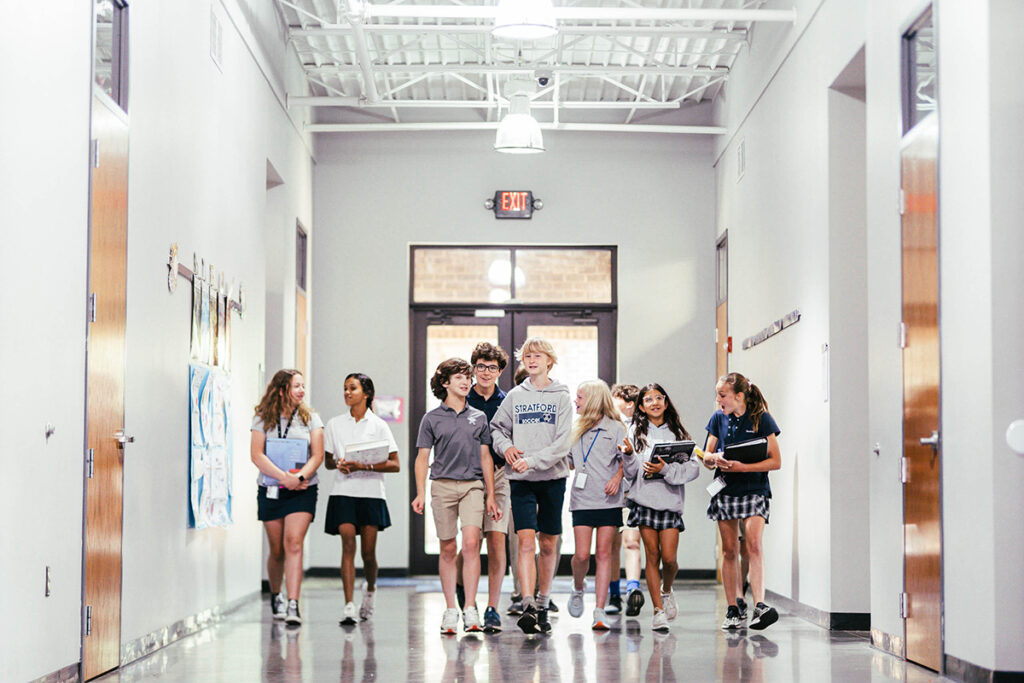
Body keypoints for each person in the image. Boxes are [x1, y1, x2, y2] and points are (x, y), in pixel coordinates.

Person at [490, 337, 573, 634]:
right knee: (525, 540)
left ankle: (543, 601)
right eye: (527, 355)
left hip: (551, 478)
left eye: (537, 355)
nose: (532, 360)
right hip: (520, 480)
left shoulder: (562, 396)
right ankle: (527, 604)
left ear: (549, 360)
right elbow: (497, 429)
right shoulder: (514, 396)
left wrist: (533, 461)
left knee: (548, 543)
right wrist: (508, 449)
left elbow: (564, 442)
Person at [412, 358, 500, 635]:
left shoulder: (479, 417)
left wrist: (491, 495)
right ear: (445, 383)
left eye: (467, 376)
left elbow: (486, 456)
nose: (466, 381)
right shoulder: (431, 418)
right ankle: (451, 608)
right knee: (448, 548)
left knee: (472, 543)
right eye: (459, 377)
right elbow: (422, 457)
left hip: (473, 485)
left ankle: (470, 607)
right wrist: (420, 493)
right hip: (442, 486)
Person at [702, 372, 782, 631]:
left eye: (722, 395)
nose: (718, 400)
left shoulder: (762, 419)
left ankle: (760, 604)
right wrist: (715, 459)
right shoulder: (718, 419)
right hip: (726, 489)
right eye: (717, 395)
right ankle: (734, 608)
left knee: (754, 543)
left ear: (739, 396)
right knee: (729, 550)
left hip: (755, 488)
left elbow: (775, 461)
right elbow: (706, 456)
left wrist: (742, 467)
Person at [621, 382, 700, 632]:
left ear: (666, 403)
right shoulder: (634, 432)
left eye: (659, 398)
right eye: (648, 400)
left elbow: (693, 468)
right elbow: (631, 473)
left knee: (670, 558)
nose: (654, 403)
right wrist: (628, 455)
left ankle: (667, 590)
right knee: (652, 556)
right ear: (641, 407)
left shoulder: (679, 433)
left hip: (670, 503)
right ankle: (657, 611)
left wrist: (664, 469)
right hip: (644, 501)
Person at [323, 372, 400, 626]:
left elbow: (395, 464)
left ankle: (370, 590)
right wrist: (340, 463)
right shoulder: (334, 424)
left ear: (366, 394)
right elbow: (328, 461)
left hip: (370, 494)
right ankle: (348, 605)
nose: (347, 392)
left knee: (368, 553)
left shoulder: (379, 425)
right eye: (344, 388)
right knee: (347, 543)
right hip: (343, 492)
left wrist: (363, 466)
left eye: (352, 388)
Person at [250, 369, 324, 626]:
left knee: (294, 542)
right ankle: (276, 594)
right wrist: (284, 477)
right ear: (281, 390)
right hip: (271, 488)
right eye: (296, 386)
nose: (302, 391)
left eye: (303, 386)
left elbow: (317, 455)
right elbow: (257, 455)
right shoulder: (263, 418)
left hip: (303, 490)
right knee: (277, 549)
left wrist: (299, 478)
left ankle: (293, 603)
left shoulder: (311, 418)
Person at [456, 342, 511, 633]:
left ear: (500, 370)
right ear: (473, 368)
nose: (486, 372)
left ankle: (492, 607)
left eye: (492, 367)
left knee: (497, 539)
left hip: (500, 475)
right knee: (470, 541)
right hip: (468, 476)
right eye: (480, 366)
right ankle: (466, 599)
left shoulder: (508, 400)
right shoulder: (464, 398)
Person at [566, 380, 628, 630]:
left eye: (579, 397)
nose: (576, 401)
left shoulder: (616, 428)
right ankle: (578, 587)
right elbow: (569, 462)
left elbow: (628, 459)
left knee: (604, 554)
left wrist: (617, 477)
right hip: (582, 499)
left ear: (592, 400)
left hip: (608, 499)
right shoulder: (575, 428)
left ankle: (599, 610)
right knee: (581, 555)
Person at [609, 383, 642, 616]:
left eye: (616, 399)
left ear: (629, 404)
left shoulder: (644, 428)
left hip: (633, 492)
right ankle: (613, 593)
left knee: (632, 541)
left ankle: (632, 590)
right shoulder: (607, 425)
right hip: (610, 492)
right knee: (611, 545)